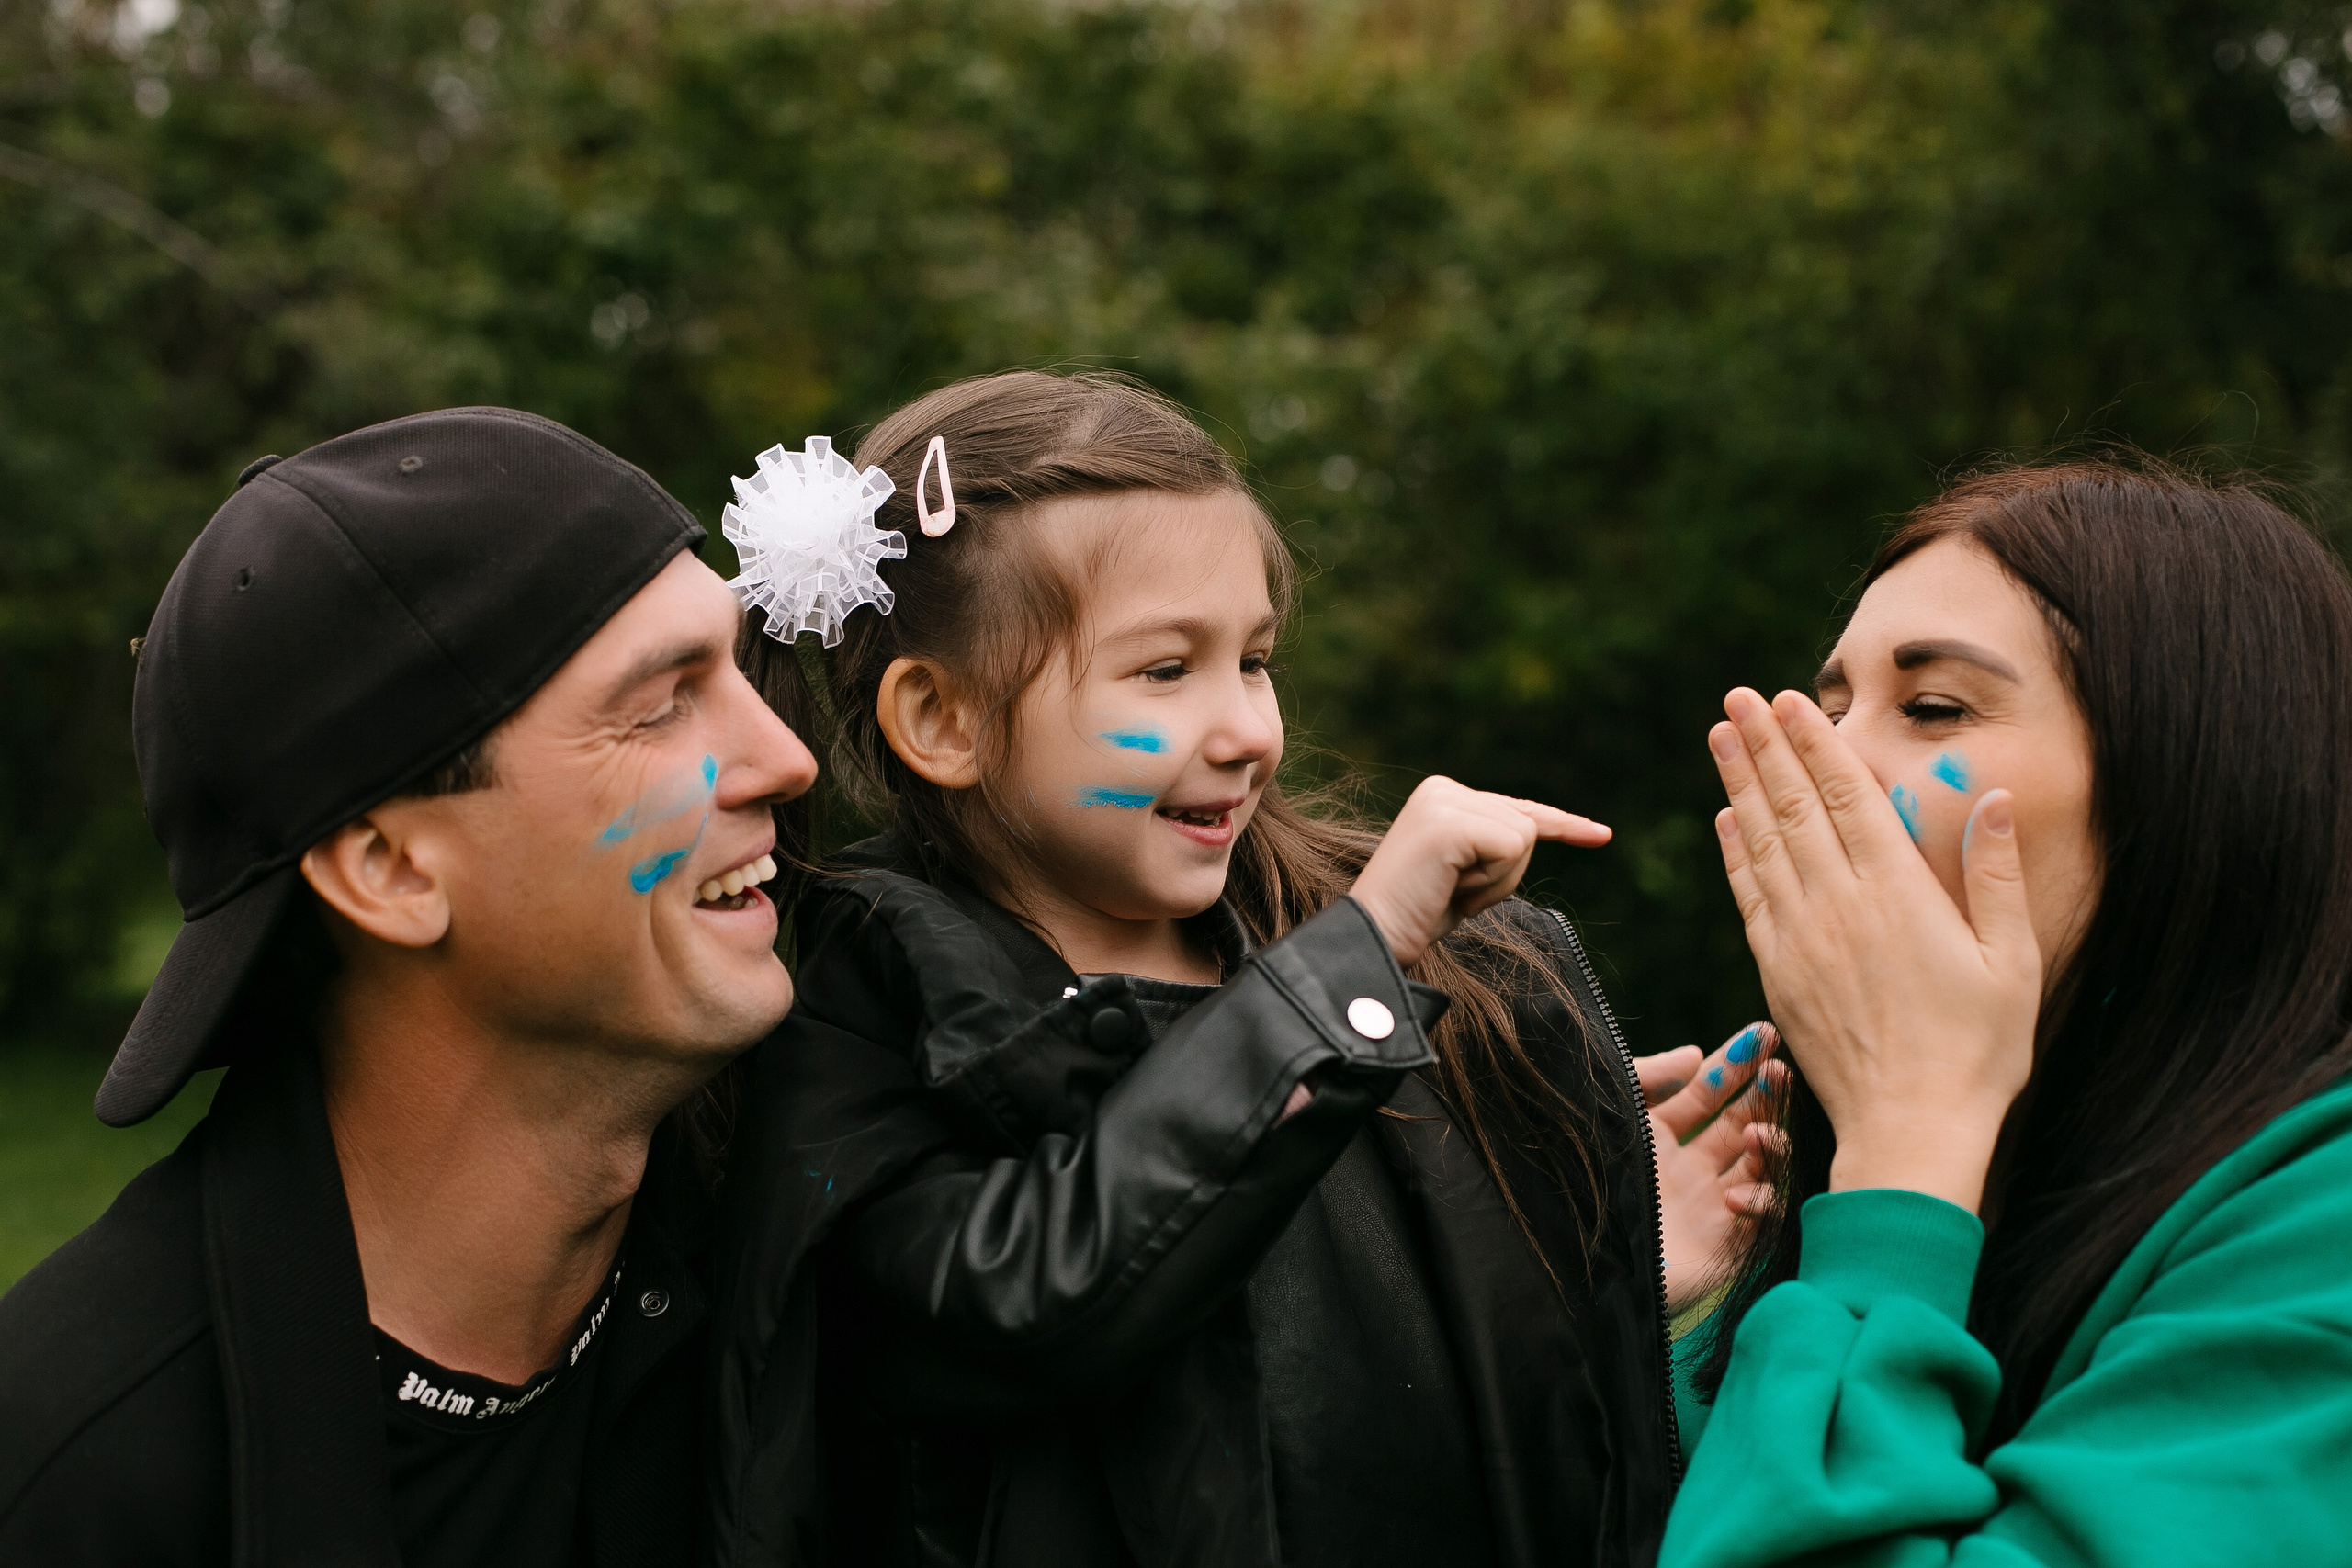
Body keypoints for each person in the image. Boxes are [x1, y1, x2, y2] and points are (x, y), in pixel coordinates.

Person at [703, 371, 1779, 1568]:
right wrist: (1354, 963)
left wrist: (1618, 1262)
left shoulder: (1444, 977)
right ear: (943, 719)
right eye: (1166, 671)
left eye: (1254, 660)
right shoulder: (865, 1025)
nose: (1248, 729)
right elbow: (1032, 1296)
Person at [0, 409, 818, 1565]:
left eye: (733, 667)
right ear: (388, 870)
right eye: (659, 703)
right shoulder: (79, 1487)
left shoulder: (820, 1244)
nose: (788, 757)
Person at [1666, 460, 2352, 1566]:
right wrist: (1672, 1326)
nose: (1823, 760)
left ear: (2186, 782)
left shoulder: (2324, 1234)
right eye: (1829, 706)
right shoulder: (1997, 1174)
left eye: (1933, 706)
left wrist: (1903, 1156)